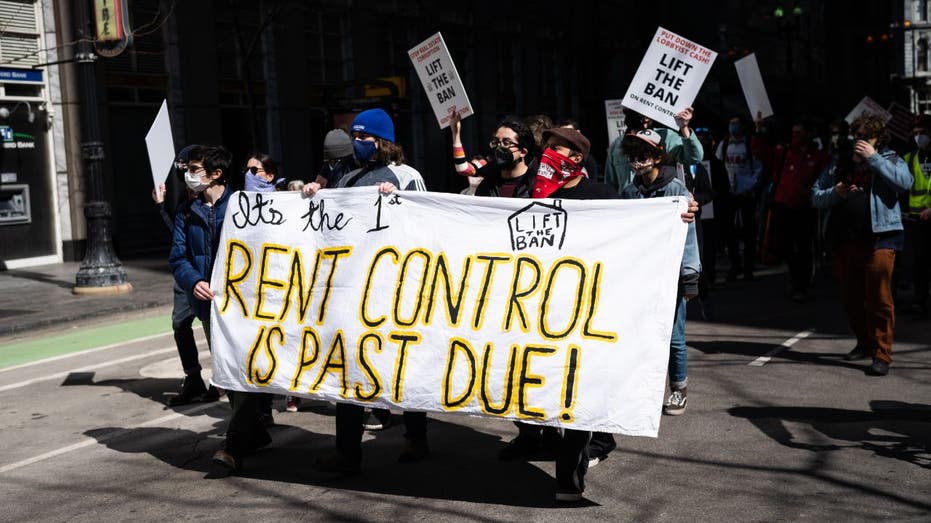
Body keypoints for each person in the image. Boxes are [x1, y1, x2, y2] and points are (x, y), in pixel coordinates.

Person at [303, 108, 428, 474]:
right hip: (351, 289)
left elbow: (424, 224)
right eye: (354, 137)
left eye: (363, 138)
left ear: (382, 140)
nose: (356, 144)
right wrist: (315, 194)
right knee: (347, 370)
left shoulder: (407, 177)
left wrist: (398, 203)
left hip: (394, 289)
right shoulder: (346, 176)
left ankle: (416, 438)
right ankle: (347, 452)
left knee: (403, 366)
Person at [169, 146, 270, 471]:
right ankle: (254, 433)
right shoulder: (187, 211)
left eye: (196, 169)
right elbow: (178, 257)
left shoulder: (243, 206)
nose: (190, 174)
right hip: (210, 307)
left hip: (245, 305)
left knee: (239, 371)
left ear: (216, 174)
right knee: (229, 375)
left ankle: (235, 443)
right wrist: (193, 280)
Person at [532, 126, 616, 502]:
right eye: (546, 148)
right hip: (540, 309)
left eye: (556, 149)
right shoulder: (533, 197)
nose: (548, 154)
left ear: (577, 158)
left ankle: (568, 475)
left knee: (577, 395)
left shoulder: (601, 197)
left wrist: (681, 214)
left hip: (586, 311)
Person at [811, 114, 913, 376]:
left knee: (880, 299)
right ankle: (864, 343)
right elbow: (816, 196)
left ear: (878, 139)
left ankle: (882, 353)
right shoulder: (839, 162)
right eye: (857, 135)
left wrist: (873, 158)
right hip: (846, 240)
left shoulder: (890, 158)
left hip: (880, 239)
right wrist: (837, 193)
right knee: (851, 298)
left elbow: (904, 183)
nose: (860, 141)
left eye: (866, 137)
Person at [152, 144, 221, 406]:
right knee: (181, 324)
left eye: (189, 169)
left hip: (210, 273)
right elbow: (176, 240)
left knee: (212, 327)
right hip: (187, 275)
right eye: (182, 169)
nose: (185, 175)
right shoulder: (185, 202)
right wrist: (161, 207)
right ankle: (193, 377)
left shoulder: (214, 195)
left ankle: (221, 378)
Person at [769, 121, 828, 302]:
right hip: (783, 206)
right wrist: (758, 132)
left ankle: (802, 283)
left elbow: (823, 180)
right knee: (785, 245)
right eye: (793, 132)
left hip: (805, 208)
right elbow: (763, 155)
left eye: (799, 132)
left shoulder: (818, 156)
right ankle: (795, 278)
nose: (795, 136)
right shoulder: (784, 152)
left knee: (803, 246)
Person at [604, 107, 703, 193]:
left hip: (661, 204)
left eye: (646, 118)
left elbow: (694, 157)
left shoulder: (666, 137)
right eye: (639, 117)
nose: (644, 124)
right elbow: (610, 185)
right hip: (629, 207)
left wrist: (684, 127)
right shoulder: (617, 145)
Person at [716, 116, 765, 282]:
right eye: (732, 123)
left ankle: (748, 267)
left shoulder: (750, 145)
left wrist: (749, 188)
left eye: (736, 123)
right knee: (729, 232)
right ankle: (735, 265)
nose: (733, 127)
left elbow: (758, 169)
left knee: (749, 232)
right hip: (729, 194)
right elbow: (718, 166)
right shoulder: (724, 145)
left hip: (747, 194)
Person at [451, 111, 539, 197]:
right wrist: (456, 133)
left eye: (506, 143)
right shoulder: (486, 186)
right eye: (496, 142)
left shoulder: (536, 186)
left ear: (523, 152)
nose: (499, 147)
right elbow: (462, 168)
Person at [902, 114, 931, 318]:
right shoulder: (909, 158)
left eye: (923, 133)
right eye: (916, 134)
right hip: (916, 219)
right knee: (919, 262)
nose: (919, 137)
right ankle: (920, 302)